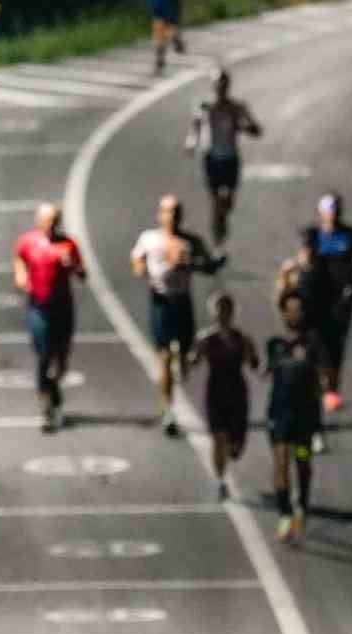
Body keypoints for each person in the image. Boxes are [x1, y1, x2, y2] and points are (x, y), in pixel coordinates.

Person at [131, 194, 222, 437]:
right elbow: (137, 264)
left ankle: (179, 363)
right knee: (163, 357)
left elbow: (208, 265)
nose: (171, 217)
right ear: (159, 215)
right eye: (167, 212)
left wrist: (193, 262)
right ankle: (168, 410)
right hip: (161, 301)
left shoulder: (190, 241)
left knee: (183, 353)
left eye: (176, 212)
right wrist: (146, 269)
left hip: (182, 301)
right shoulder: (149, 239)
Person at [301, 192, 352, 433]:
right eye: (329, 213)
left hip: (342, 299)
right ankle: (320, 383)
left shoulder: (351, 236)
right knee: (316, 339)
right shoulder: (312, 235)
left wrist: (349, 268)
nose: (332, 218)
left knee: (337, 342)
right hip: (318, 297)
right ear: (322, 214)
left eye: (336, 213)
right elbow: (304, 260)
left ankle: (332, 388)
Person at [12, 202, 87, 433]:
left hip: (63, 308)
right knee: (44, 354)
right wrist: (22, 278)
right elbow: (19, 262)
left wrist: (72, 265)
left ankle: (54, 389)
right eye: (47, 219)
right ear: (38, 220)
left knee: (61, 359)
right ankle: (46, 405)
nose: (51, 224)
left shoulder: (68, 244)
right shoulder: (27, 242)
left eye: (55, 219)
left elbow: (83, 274)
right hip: (39, 308)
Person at [266, 290, 326, 544]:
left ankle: (302, 501)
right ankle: (284, 513)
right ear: (283, 313)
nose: (294, 313)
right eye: (290, 309)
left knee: (302, 460)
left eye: (298, 309)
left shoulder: (313, 344)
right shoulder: (275, 344)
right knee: (280, 462)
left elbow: (323, 377)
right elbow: (269, 369)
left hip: (305, 416)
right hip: (280, 415)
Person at [190, 292, 259, 501]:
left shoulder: (242, 339)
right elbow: (194, 361)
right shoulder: (206, 339)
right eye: (219, 309)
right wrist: (190, 355)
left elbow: (254, 363)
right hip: (216, 392)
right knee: (218, 438)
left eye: (226, 309)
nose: (223, 314)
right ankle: (220, 480)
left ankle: (233, 450)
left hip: (237, 392)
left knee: (236, 444)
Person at [184, 69, 263, 250]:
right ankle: (218, 238)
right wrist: (191, 143)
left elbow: (256, 129)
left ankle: (220, 222)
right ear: (213, 86)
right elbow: (194, 128)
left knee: (227, 201)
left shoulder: (236, 107)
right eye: (217, 84)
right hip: (211, 159)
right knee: (216, 200)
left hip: (230, 158)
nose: (220, 88)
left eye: (223, 84)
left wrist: (244, 126)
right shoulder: (204, 107)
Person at [149, 0, 186, 75]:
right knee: (160, 41)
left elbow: (179, 4)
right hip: (159, 15)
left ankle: (176, 39)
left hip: (171, 17)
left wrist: (177, 16)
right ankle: (159, 64)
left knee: (166, 37)